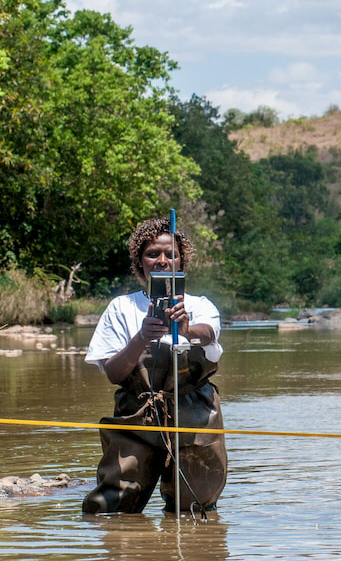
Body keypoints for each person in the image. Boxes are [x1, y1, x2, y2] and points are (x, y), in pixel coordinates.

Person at [82, 218, 227, 515]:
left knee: (195, 507)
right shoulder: (120, 308)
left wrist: (186, 329)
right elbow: (114, 373)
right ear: (140, 263)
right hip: (137, 411)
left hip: (195, 410)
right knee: (113, 507)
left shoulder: (200, 305)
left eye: (170, 254)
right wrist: (141, 338)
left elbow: (209, 334)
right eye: (152, 254)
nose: (162, 261)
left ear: (181, 261)